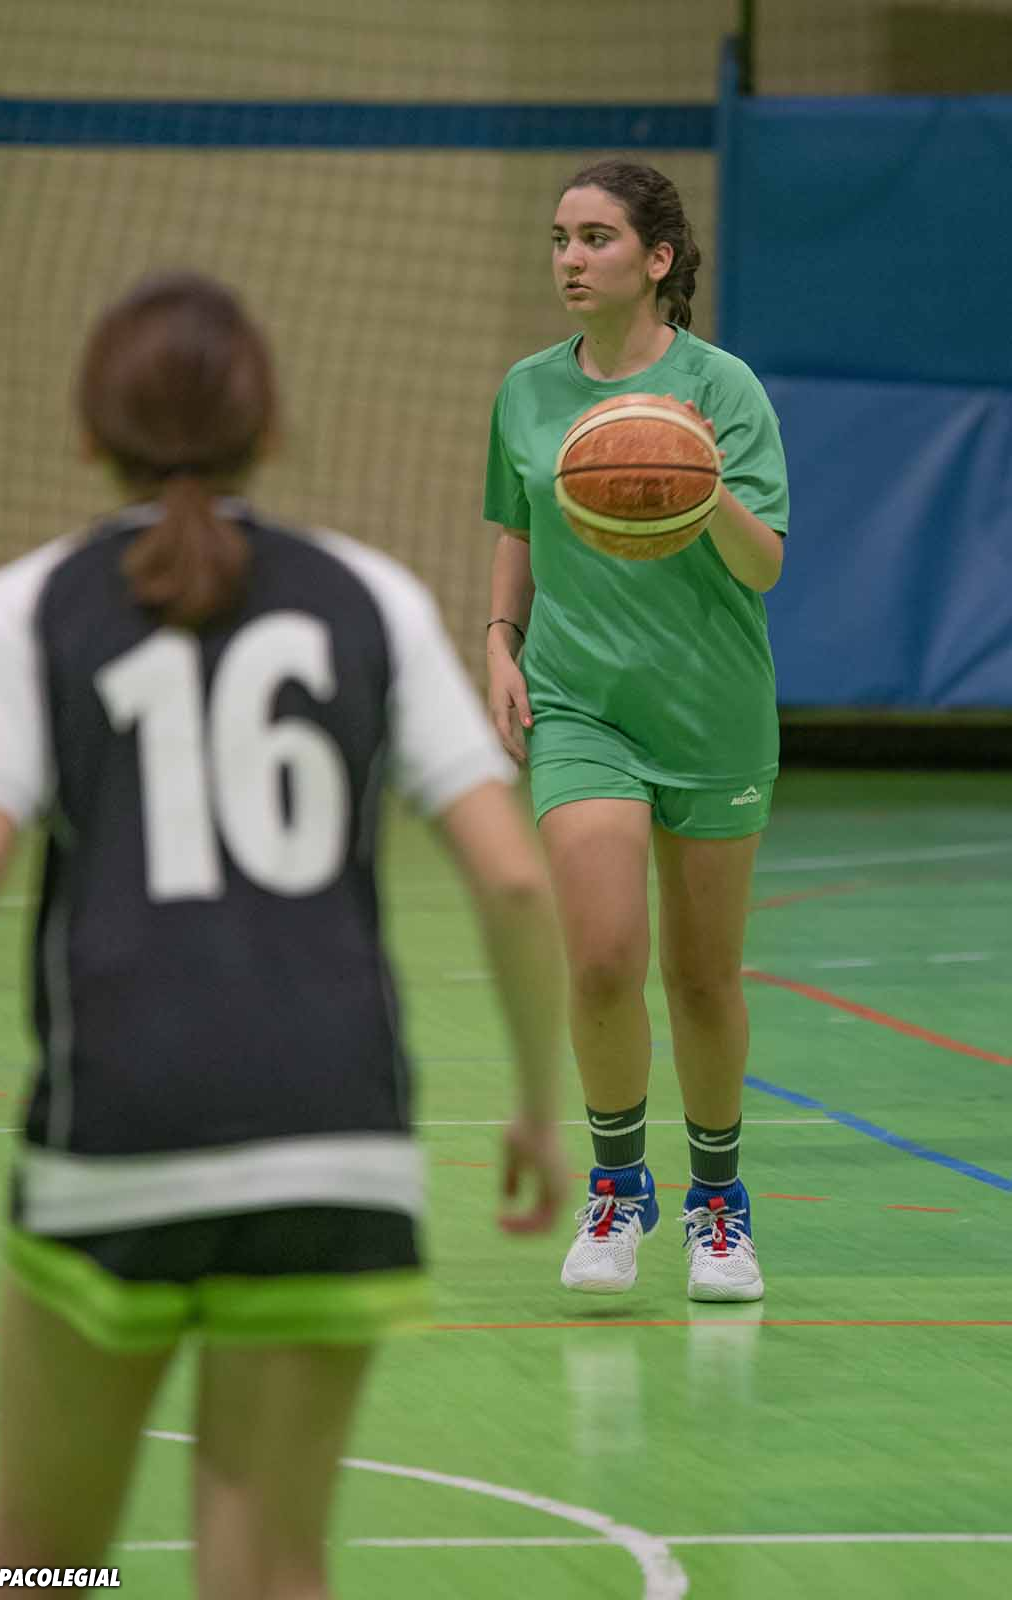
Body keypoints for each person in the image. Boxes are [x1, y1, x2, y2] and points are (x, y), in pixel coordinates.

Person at [0, 272, 569, 1598]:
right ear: (270, 428)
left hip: (119, 1135)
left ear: (86, 432)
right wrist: (534, 1109)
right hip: (332, 1140)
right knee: (271, 1566)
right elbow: (516, 882)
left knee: (38, 1561)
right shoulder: (371, 598)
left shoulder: (24, 608)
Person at [484, 161, 789, 1302]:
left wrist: (693, 479)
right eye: (559, 237)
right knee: (604, 955)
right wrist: (499, 639)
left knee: (702, 977)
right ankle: (618, 1188)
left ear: (657, 260)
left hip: (711, 706)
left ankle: (718, 1204)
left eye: (596, 238)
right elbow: (517, 523)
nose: (570, 258)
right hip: (580, 703)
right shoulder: (526, 391)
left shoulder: (723, 389)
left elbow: (764, 565)